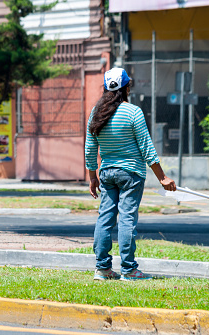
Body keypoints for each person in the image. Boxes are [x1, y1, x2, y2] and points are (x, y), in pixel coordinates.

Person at [85, 67, 176, 281]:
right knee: (127, 219)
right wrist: (162, 177)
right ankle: (128, 269)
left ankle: (102, 268)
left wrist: (92, 177)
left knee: (105, 218)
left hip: (106, 173)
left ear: (106, 88)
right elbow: (147, 148)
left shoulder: (96, 113)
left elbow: (90, 148)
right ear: (127, 86)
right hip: (131, 174)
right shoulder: (133, 112)